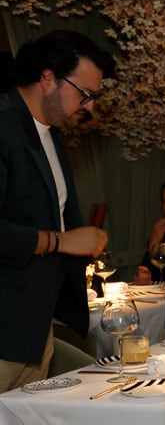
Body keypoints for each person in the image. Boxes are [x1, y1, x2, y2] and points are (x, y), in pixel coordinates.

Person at [0, 30, 112, 390]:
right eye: (85, 94)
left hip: (34, 328)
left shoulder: (50, 134)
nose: (90, 106)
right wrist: (60, 241)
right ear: (48, 78)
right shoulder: (3, 126)